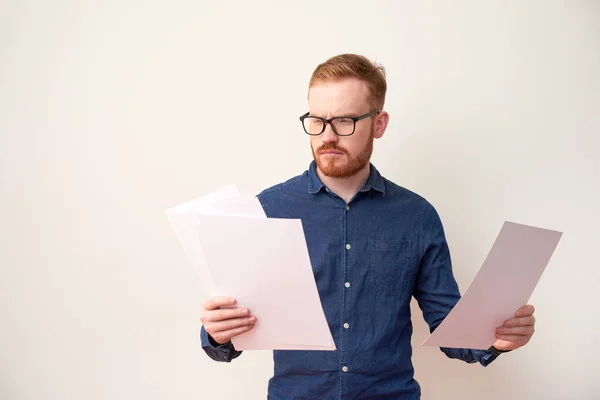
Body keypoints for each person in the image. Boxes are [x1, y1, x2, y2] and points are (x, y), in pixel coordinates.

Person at [198, 54, 536, 399]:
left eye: (344, 121)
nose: (327, 136)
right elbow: (227, 335)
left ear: (379, 123)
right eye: (317, 120)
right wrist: (218, 333)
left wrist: (497, 338)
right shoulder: (267, 210)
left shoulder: (417, 216)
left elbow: (452, 330)